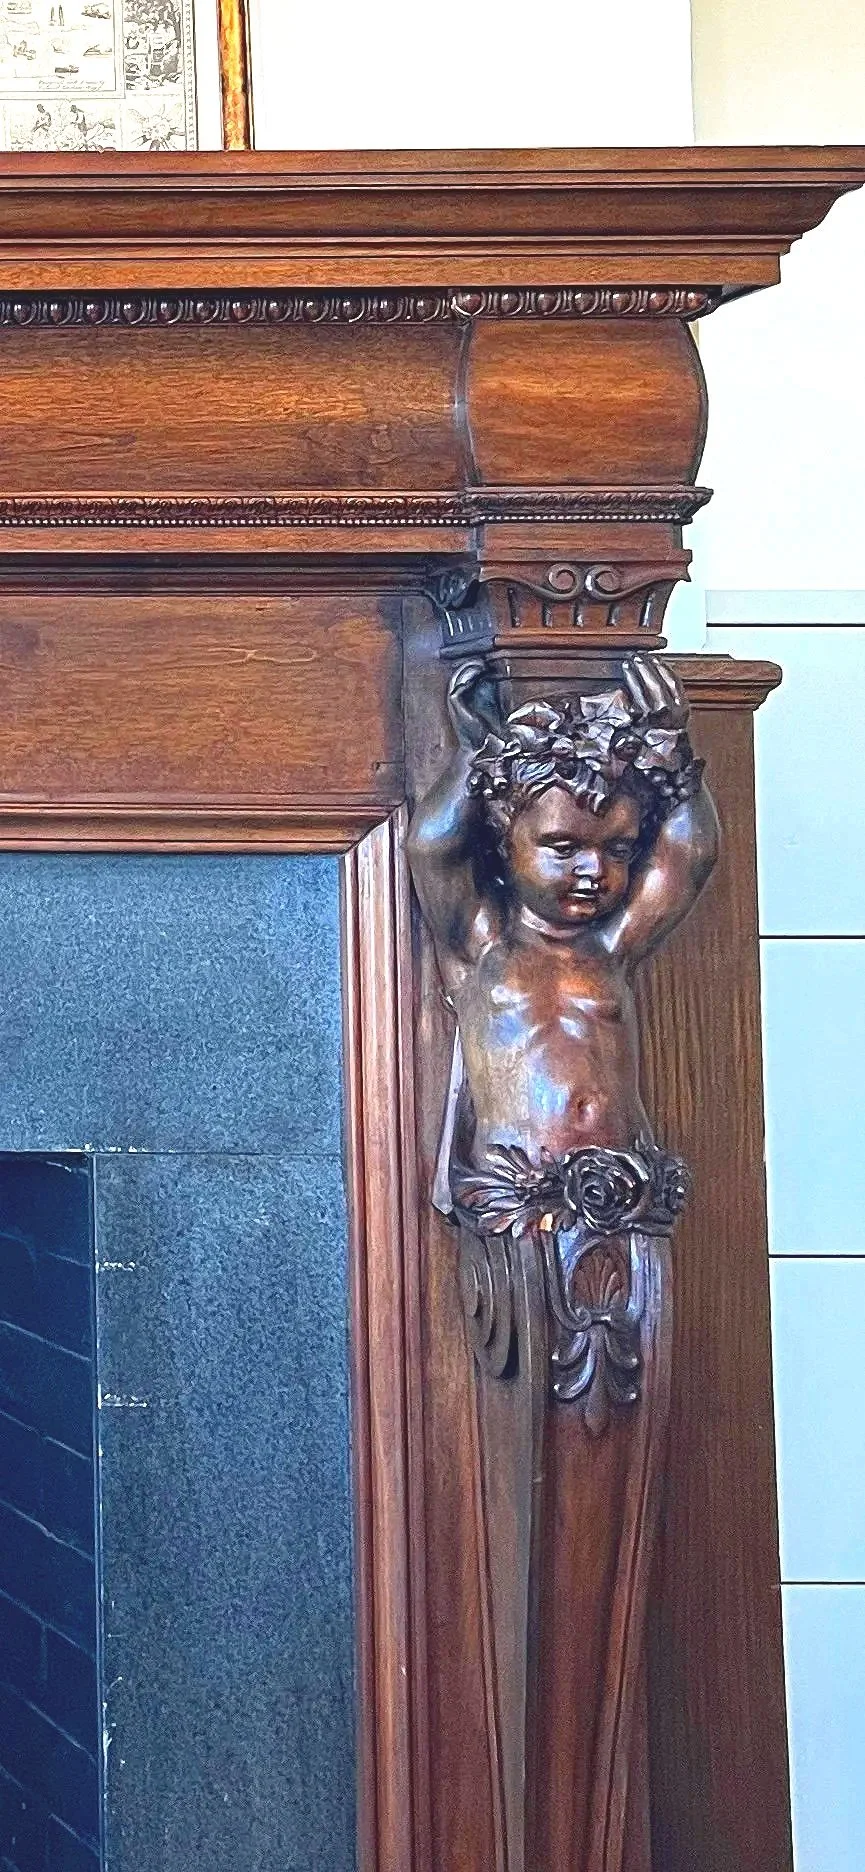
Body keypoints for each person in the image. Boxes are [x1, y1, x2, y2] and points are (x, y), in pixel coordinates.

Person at [408, 653, 719, 1240]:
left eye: (618, 850)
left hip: (624, 1192)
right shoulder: (482, 944)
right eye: (562, 846)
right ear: (505, 842)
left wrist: (673, 749)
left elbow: (688, 855)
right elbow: (432, 848)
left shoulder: (610, 947)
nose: (592, 870)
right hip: (518, 1194)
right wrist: (475, 754)